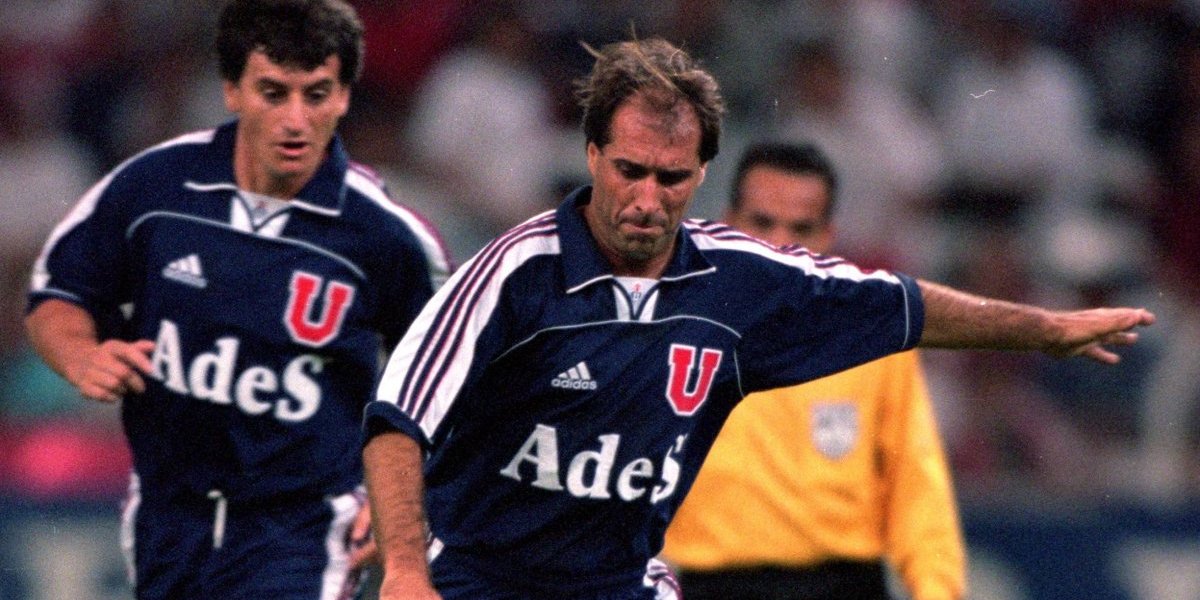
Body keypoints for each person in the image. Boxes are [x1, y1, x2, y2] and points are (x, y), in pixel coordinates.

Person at [360, 37, 1153, 600]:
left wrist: (1045, 329)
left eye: (671, 177)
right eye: (630, 170)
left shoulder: (739, 282)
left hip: (619, 582)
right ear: (593, 155)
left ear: (702, 171)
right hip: (481, 577)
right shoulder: (516, 272)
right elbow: (399, 418)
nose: (647, 198)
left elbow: (902, 306)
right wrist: (403, 570)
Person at [23, 1, 451, 598]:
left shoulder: (386, 236)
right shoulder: (154, 187)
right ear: (231, 90)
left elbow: (457, 380)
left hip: (304, 527)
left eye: (316, 94)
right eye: (274, 93)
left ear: (343, 98)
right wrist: (80, 354)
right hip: (166, 514)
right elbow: (60, 293)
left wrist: (410, 503)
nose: (295, 120)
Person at [660, 141, 965, 600]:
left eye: (801, 228)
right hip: (715, 586)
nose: (781, 243)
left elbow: (915, 484)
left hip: (844, 585)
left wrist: (937, 592)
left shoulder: (873, 335)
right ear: (726, 224)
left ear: (827, 236)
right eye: (763, 223)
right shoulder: (678, 332)